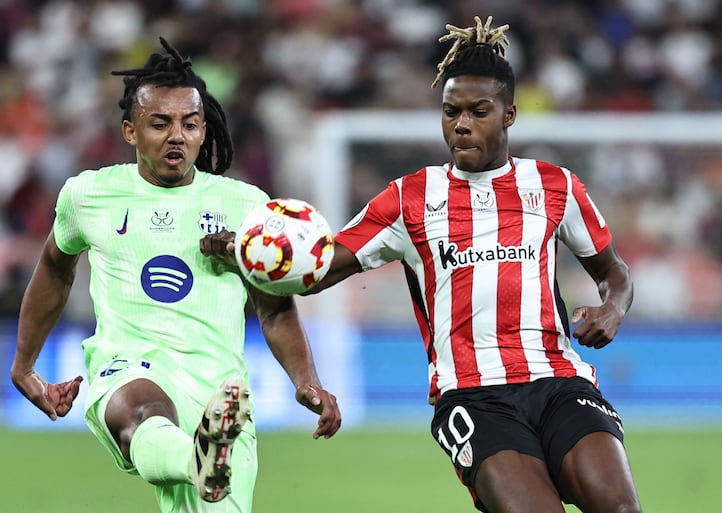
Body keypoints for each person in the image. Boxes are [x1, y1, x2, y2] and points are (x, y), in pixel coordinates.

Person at [202, 15, 641, 513]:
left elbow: (614, 274)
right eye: (451, 111)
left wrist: (613, 309)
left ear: (510, 115)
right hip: (475, 398)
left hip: (561, 379)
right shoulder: (410, 198)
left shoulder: (554, 185)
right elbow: (317, 272)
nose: (462, 124)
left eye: (479, 111)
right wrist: (250, 249)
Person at [11, 37, 341, 513]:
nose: (176, 137)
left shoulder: (245, 207)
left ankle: (207, 453)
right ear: (130, 131)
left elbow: (274, 311)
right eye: (159, 124)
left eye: (189, 124)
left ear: (204, 130)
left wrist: (307, 381)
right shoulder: (88, 196)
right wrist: (25, 365)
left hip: (219, 393)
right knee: (141, 414)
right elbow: (54, 268)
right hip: (128, 366)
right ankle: (197, 458)